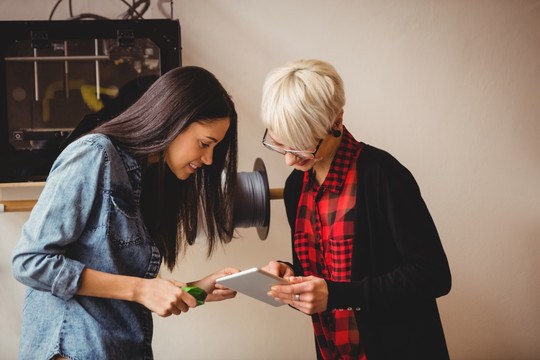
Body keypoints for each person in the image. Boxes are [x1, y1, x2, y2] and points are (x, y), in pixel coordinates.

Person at [12, 66, 241, 360]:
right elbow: (30, 261)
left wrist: (197, 290)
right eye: (205, 144)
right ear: (174, 121)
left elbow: (118, 289)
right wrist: (140, 290)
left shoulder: (148, 180)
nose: (209, 159)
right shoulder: (94, 154)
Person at [260, 59, 451, 359]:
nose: (289, 160)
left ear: (336, 121)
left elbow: (434, 276)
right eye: (280, 145)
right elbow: (330, 277)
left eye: (301, 147)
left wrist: (336, 295)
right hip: (333, 350)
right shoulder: (296, 188)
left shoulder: (382, 175)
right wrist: (293, 277)